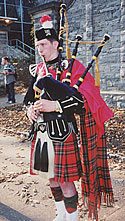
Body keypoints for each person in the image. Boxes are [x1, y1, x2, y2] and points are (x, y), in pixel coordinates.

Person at [24, 15, 114, 221]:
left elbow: (84, 101)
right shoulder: (38, 69)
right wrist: (30, 110)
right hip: (42, 132)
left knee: (65, 181)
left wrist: (55, 105)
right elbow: (28, 98)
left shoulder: (71, 67)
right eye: (37, 45)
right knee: (52, 180)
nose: (40, 49)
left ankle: (71, 219)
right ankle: (60, 215)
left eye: (44, 44)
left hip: (63, 133)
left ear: (55, 44)